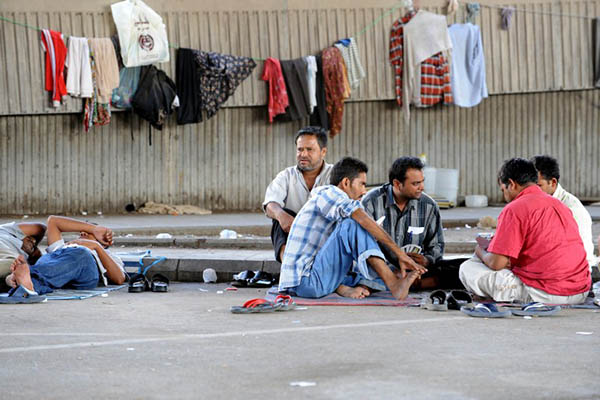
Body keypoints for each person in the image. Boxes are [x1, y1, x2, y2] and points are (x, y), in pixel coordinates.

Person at [278, 157, 427, 300]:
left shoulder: (340, 207)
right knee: (354, 223)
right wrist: (400, 254)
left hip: (315, 278)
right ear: (346, 182)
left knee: (375, 277)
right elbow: (361, 219)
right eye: (361, 184)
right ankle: (394, 284)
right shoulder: (328, 193)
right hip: (304, 281)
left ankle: (379, 282)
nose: (364, 191)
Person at [459, 158, 591, 304]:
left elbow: (497, 264)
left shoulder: (514, 208)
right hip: (580, 291)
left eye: (503, 190)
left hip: (546, 294)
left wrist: (480, 250)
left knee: (468, 268)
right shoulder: (560, 205)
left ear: (512, 184)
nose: (504, 196)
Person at [362, 157, 463, 290]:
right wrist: (390, 270)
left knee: (463, 267)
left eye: (422, 182)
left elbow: (437, 245)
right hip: (382, 271)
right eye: (416, 183)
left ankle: (412, 282)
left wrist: (426, 260)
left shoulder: (429, 206)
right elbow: (363, 247)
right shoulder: (371, 202)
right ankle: (403, 282)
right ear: (397, 184)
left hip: (416, 270)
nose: (422, 187)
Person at [5, 216, 126, 296]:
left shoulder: (105, 254)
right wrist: (94, 229)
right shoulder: (62, 246)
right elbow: (53, 221)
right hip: (57, 263)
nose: (83, 233)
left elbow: (119, 279)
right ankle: (24, 284)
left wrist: (96, 246)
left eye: (88, 233)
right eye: (81, 232)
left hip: (86, 267)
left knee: (81, 254)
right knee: (46, 260)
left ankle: (20, 277)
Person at [263, 126, 333, 263]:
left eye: (309, 149)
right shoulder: (287, 175)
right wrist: (282, 216)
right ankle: (288, 265)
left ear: (323, 152)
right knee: (279, 214)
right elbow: (270, 203)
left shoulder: (335, 174)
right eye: (300, 149)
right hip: (294, 234)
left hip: (324, 234)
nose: (303, 154)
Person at [531, 155, 596, 270]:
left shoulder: (572, 210)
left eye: (539, 185)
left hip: (574, 272)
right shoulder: (537, 201)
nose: (533, 190)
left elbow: (577, 254)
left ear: (553, 183)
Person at [0, 221, 46, 290]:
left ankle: (9, 280)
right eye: (30, 238)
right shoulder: (6, 230)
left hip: (10, 261)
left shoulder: (19, 257)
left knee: (15, 266)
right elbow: (41, 227)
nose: (33, 242)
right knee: (15, 263)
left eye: (33, 247)